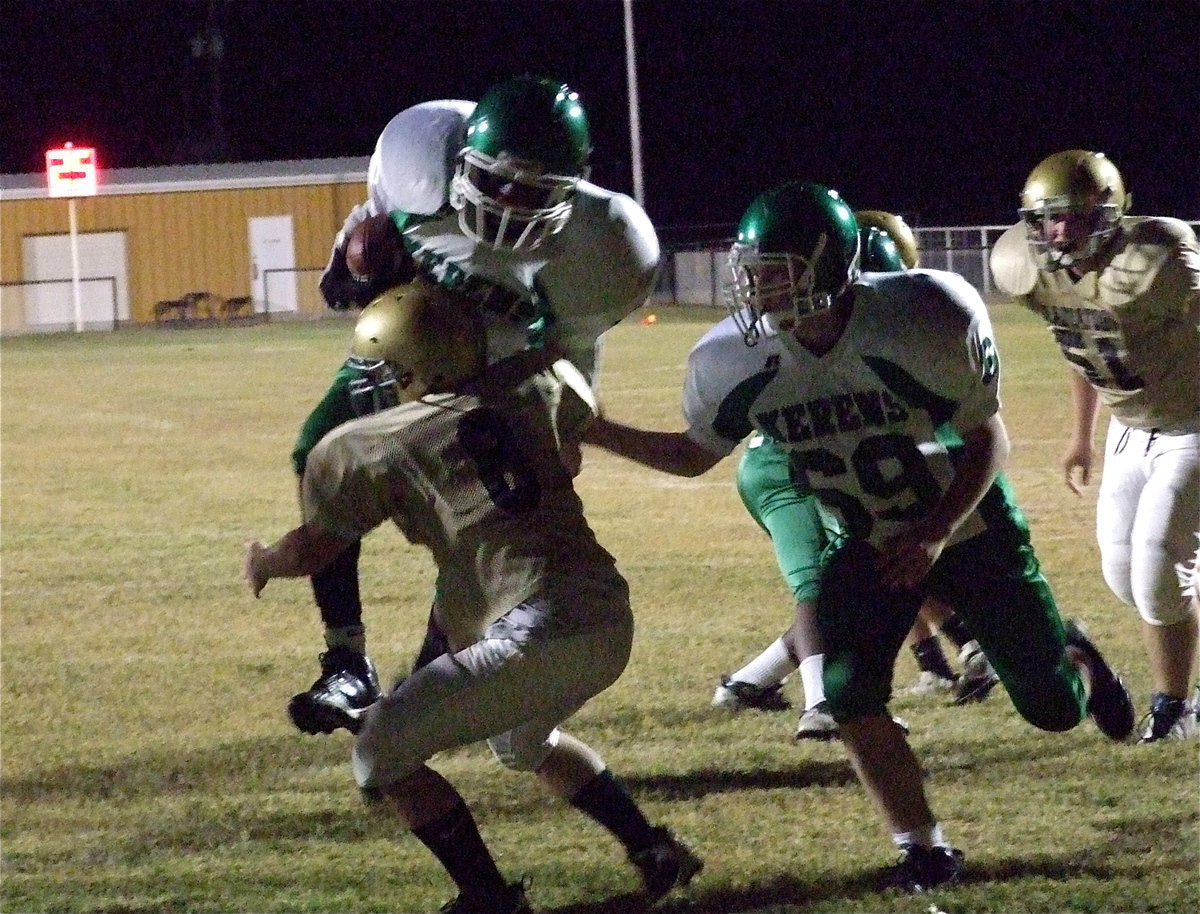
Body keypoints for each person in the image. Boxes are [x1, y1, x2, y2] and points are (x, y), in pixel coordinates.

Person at [583, 181, 1136, 890]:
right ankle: (923, 846)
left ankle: (1076, 657)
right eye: (750, 272)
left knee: (1053, 710)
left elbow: (986, 439)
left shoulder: (922, 316)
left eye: (775, 272)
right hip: (865, 538)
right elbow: (695, 454)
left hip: (968, 528)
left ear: (828, 265)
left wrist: (936, 532)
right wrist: (600, 432)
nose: (757, 289)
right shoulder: (734, 359)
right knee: (845, 689)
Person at [244, 282, 701, 914]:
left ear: (411, 368)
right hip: (604, 616)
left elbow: (315, 550)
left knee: (379, 751)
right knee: (523, 743)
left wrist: (264, 560)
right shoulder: (535, 382)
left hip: (533, 629)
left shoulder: (378, 440)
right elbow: (567, 453)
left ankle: (488, 899)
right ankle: (653, 848)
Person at [288, 76, 660, 736]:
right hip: (404, 351)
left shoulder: (603, 244)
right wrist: (352, 258)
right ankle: (346, 660)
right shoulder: (417, 155)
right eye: (498, 182)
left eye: (533, 191)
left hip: (497, 378)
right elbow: (373, 221)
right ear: (460, 162)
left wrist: (562, 424)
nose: (512, 204)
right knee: (319, 458)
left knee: (480, 521)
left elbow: (571, 348)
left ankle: (432, 671)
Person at [711, 211, 997, 742]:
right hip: (783, 466)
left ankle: (752, 681)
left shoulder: (892, 328)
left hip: (821, 460)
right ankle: (821, 702)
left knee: (878, 564)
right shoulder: (820, 330)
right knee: (828, 586)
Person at [990, 149, 1200, 742]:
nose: (1058, 231)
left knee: (1159, 570)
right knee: (1125, 575)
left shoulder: (1155, 259)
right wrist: (1080, 436)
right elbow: (1082, 344)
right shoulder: (1039, 272)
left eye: (1073, 217)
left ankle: (1174, 708)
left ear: (1107, 213)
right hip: (1128, 429)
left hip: (1193, 426)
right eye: (1046, 219)